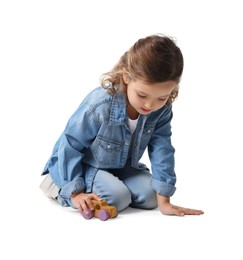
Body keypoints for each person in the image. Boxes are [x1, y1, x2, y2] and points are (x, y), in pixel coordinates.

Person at [40, 34, 204, 217]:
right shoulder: (100, 105)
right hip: (85, 164)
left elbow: (162, 148)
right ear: (126, 77)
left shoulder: (161, 110)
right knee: (118, 197)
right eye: (142, 95)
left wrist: (164, 201)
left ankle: (110, 186)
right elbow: (70, 144)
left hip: (120, 165)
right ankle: (57, 184)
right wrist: (75, 192)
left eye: (161, 97)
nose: (150, 105)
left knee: (151, 197)